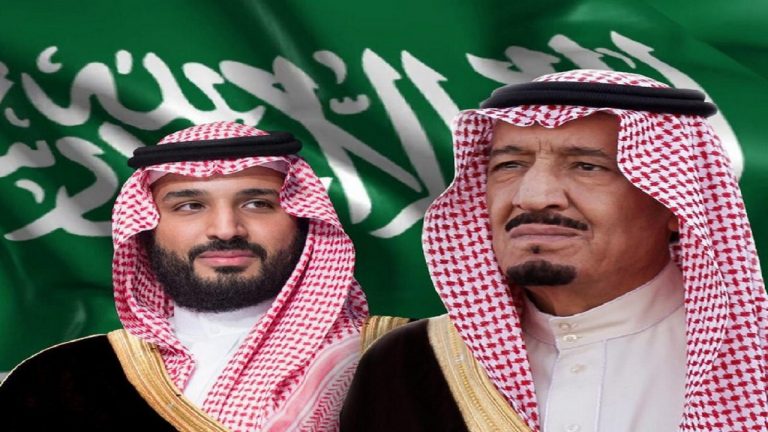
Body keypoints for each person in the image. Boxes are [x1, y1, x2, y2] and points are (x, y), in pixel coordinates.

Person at [340, 70, 767, 432]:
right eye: (509, 165)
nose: (533, 196)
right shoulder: (409, 363)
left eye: (587, 166)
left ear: (675, 203)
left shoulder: (755, 360)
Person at [0, 121, 368, 431]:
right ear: (145, 229)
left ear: (303, 220)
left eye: (257, 204)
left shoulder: (387, 359)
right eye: (190, 206)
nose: (226, 229)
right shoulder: (59, 379)